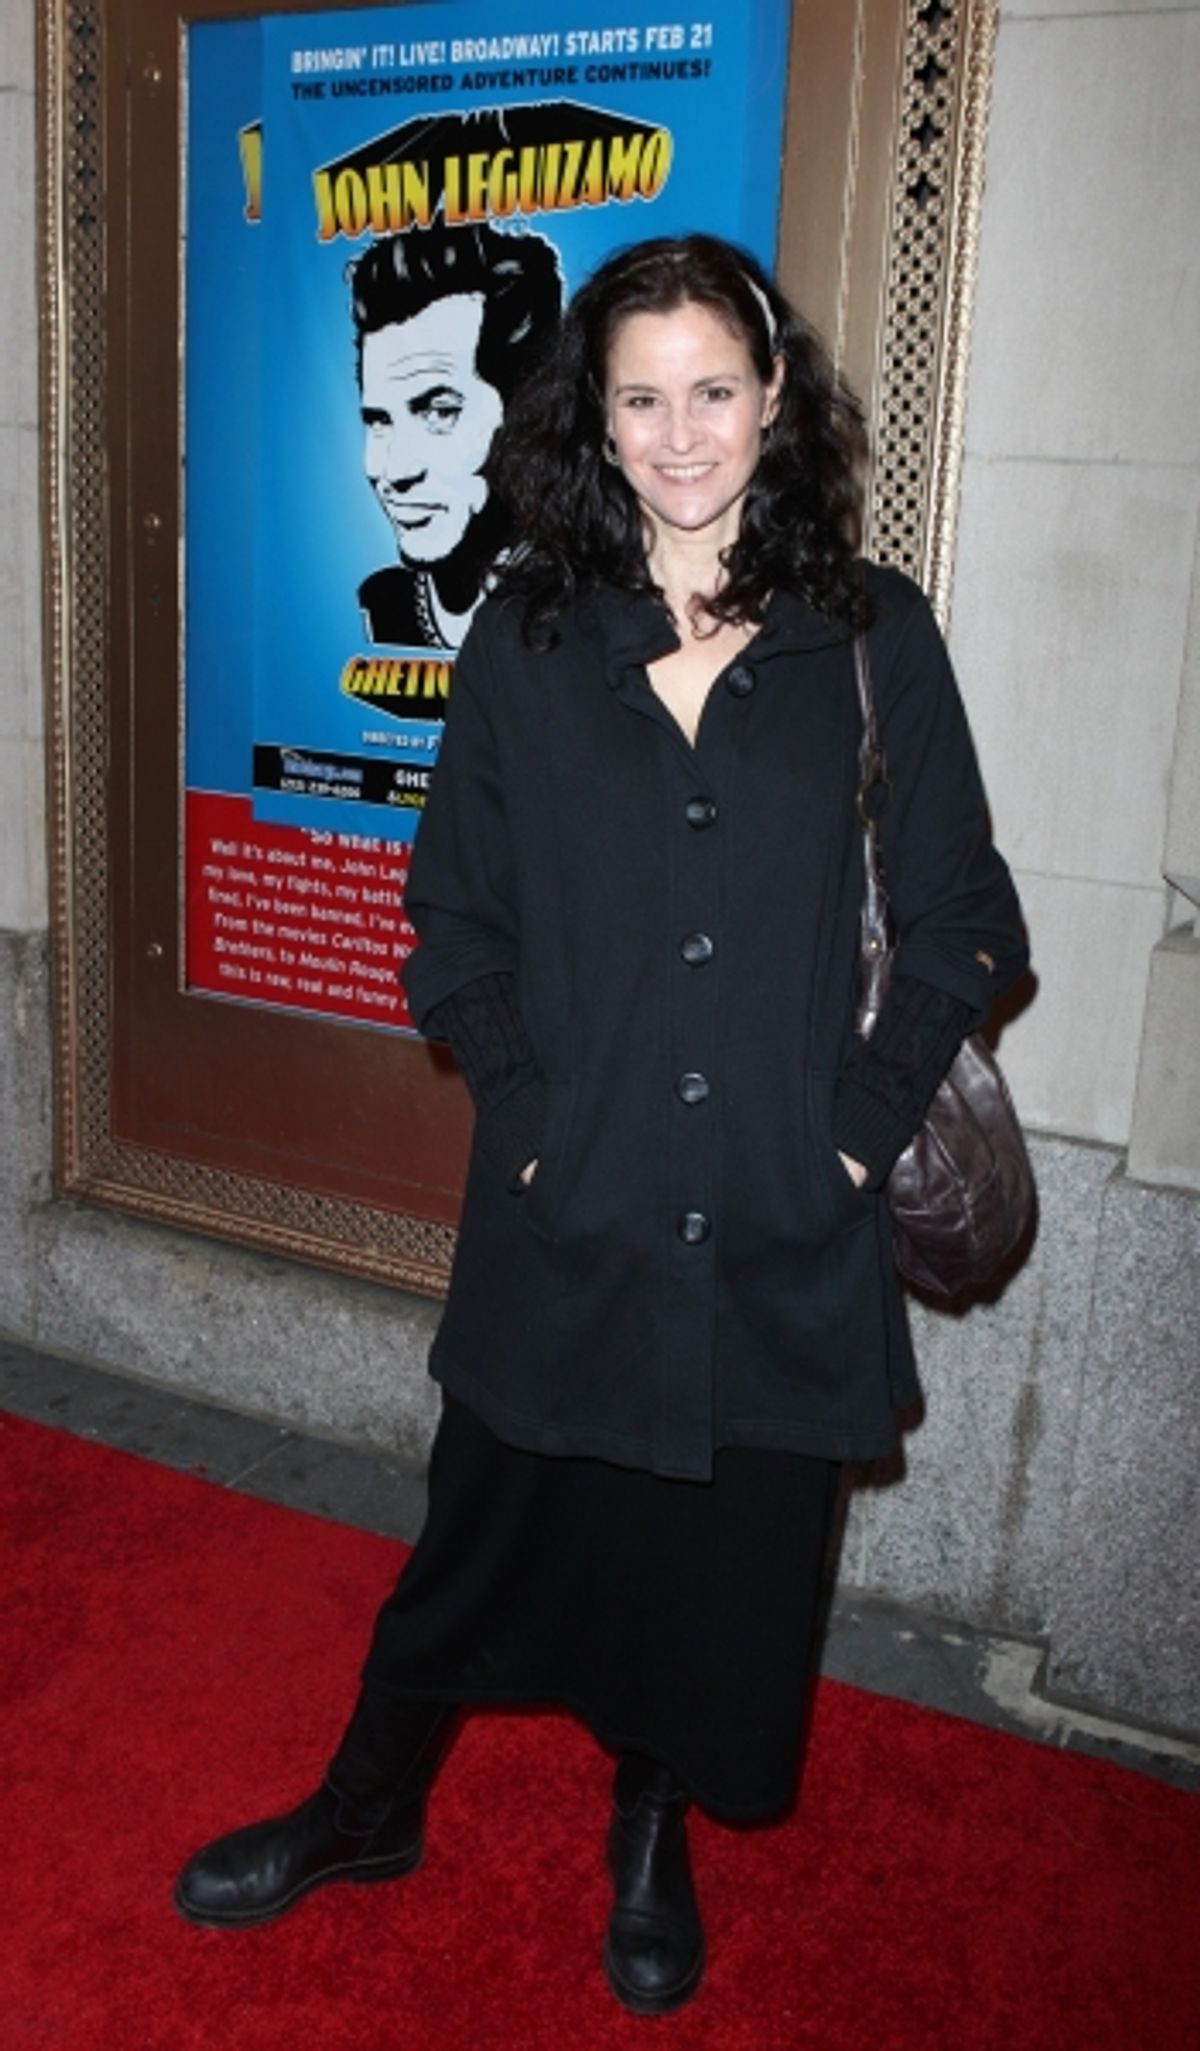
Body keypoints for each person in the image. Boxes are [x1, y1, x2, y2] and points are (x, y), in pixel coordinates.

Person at [176, 233, 1028, 2014]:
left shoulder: (874, 636)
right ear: (594, 418)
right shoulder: (532, 640)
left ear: (776, 397)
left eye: (713, 388)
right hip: (570, 1209)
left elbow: (962, 923)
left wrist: (858, 1136)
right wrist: (538, 1123)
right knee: (477, 1534)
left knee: (714, 1565)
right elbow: (455, 926)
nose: (681, 432)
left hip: (786, 1223)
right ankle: (368, 1803)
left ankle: (650, 1832)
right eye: (640, 397)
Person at [352, 219, 562, 652]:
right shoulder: (380, 606)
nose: (394, 469)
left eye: (439, 412)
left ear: (524, 416)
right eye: (379, 420)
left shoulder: (575, 610)